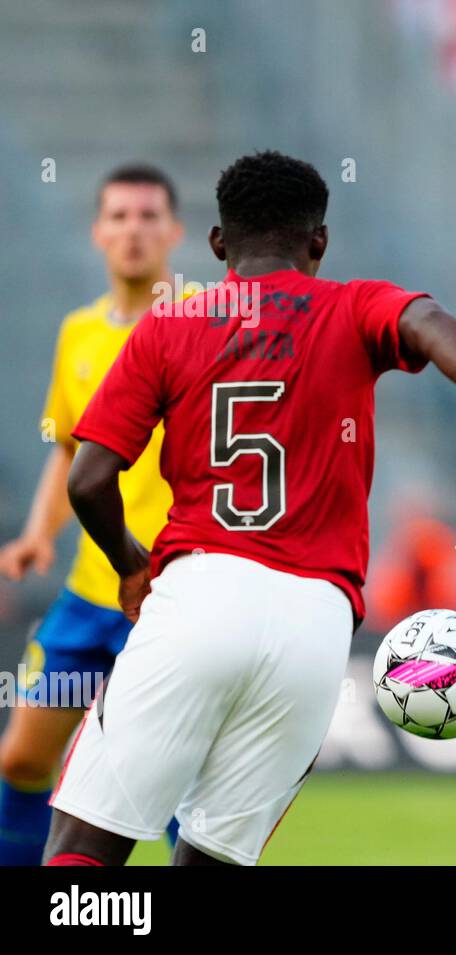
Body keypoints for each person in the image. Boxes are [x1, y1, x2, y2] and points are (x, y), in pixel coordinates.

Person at [42, 150, 456, 866]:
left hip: (198, 595)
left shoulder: (167, 327)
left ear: (218, 244)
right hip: (315, 627)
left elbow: (88, 479)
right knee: (212, 855)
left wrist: (131, 565)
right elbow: (431, 321)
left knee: (83, 852)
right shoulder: (354, 306)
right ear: (318, 241)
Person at [0, 164, 185, 865]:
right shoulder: (78, 331)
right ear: (98, 232)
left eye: (147, 217)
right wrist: (37, 535)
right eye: (119, 216)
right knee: (20, 757)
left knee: (173, 790)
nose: (133, 230)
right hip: (89, 590)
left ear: (173, 231)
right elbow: (67, 448)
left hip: (169, 595)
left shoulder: (201, 320)